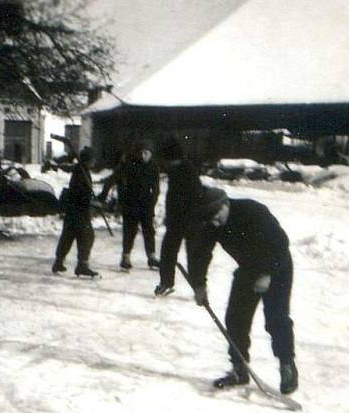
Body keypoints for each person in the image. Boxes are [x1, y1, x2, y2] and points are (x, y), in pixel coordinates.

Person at [186, 188, 299, 395]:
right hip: (248, 268)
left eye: (216, 216)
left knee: (276, 319)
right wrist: (199, 284)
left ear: (225, 204)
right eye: (209, 219)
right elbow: (200, 252)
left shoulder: (252, 212)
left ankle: (287, 365)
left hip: (277, 266)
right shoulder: (213, 222)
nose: (214, 222)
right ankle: (240, 369)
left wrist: (267, 273)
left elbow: (281, 244)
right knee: (235, 318)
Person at [98, 139, 160, 271]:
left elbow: (156, 188)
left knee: (149, 231)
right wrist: (103, 196)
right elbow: (111, 180)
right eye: (141, 153)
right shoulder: (128, 164)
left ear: (151, 154)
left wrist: (152, 203)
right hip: (130, 204)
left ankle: (152, 257)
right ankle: (125, 257)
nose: (143, 156)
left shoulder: (153, 167)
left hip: (146, 204)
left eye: (146, 153)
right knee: (130, 231)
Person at [155, 137, 204, 296]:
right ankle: (166, 282)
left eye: (166, 160)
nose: (165, 164)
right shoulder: (174, 171)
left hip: (191, 221)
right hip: (176, 221)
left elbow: (195, 197)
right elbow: (173, 198)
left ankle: (199, 288)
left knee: (194, 256)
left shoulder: (188, 170)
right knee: (168, 251)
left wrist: (191, 219)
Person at [52, 146, 101, 278]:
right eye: (93, 159)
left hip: (74, 211)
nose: (95, 162)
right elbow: (79, 193)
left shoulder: (82, 170)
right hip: (79, 211)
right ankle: (82, 266)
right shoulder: (81, 172)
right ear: (89, 160)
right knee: (87, 236)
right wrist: (91, 202)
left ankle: (59, 262)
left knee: (68, 236)